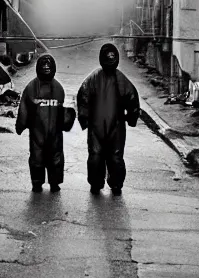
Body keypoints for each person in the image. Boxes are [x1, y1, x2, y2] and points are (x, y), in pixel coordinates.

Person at [77, 43, 140, 196]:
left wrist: (132, 116)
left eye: (112, 56)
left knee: (112, 157)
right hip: (103, 126)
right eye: (109, 56)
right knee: (98, 157)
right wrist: (131, 117)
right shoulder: (102, 78)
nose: (111, 59)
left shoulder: (109, 78)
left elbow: (132, 99)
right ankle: (100, 183)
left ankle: (113, 184)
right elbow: (83, 96)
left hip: (112, 126)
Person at [16, 54, 75, 193]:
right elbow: (24, 107)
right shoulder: (31, 87)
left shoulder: (58, 88)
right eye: (43, 65)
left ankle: (55, 183)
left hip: (55, 132)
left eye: (49, 65)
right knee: (37, 158)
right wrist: (21, 124)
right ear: (38, 68)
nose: (46, 68)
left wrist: (67, 122)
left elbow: (65, 109)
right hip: (37, 131)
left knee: (56, 158)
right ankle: (37, 183)